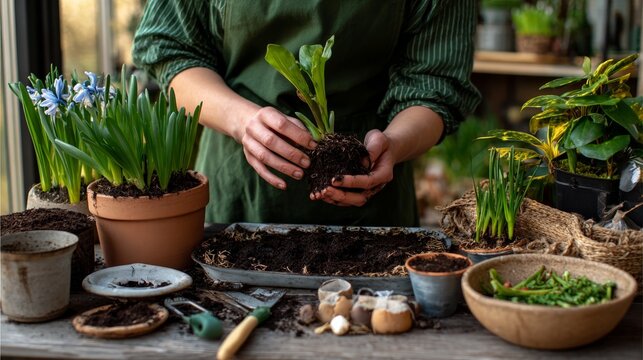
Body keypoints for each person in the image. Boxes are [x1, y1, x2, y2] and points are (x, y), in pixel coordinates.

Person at [132, 0, 481, 226]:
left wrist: (394, 142)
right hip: (239, 194)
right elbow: (172, 52)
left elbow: (436, 82)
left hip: (369, 200)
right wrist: (242, 121)